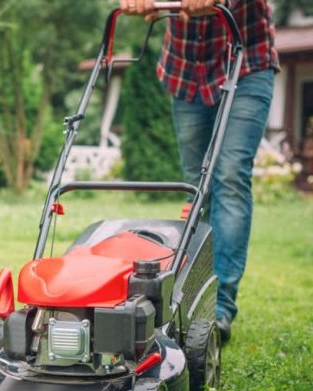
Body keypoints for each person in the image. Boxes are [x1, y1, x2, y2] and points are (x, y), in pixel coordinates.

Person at [119, 0, 279, 343]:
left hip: (246, 62)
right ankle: (196, 298)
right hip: (187, 70)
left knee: (231, 175)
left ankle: (221, 307)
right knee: (197, 186)